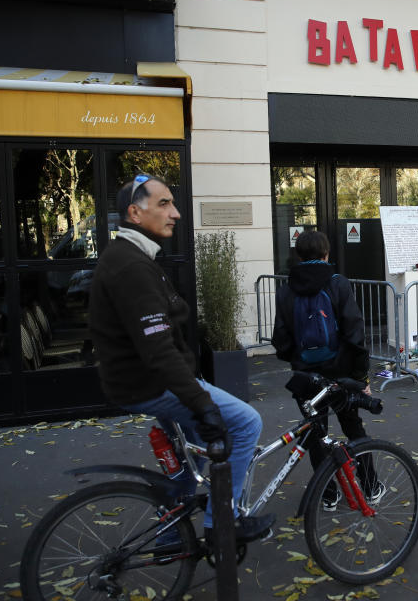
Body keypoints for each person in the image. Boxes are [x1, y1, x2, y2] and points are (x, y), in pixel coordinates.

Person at [89, 173, 274, 545]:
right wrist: (201, 403)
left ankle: (170, 541)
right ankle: (223, 522)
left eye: (173, 203)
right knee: (246, 423)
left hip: (139, 382)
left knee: (190, 466)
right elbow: (158, 351)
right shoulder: (132, 268)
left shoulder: (131, 257)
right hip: (152, 384)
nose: (175, 213)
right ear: (134, 214)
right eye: (164, 204)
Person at [271, 230, 384, 510]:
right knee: (353, 426)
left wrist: (299, 359)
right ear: (327, 254)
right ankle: (369, 486)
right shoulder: (339, 284)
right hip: (340, 374)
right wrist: (361, 377)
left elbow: (280, 341)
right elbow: (355, 333)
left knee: (316, 433)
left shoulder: (286, 290)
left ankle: (328, 492)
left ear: (298, 256)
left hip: (305, 377)